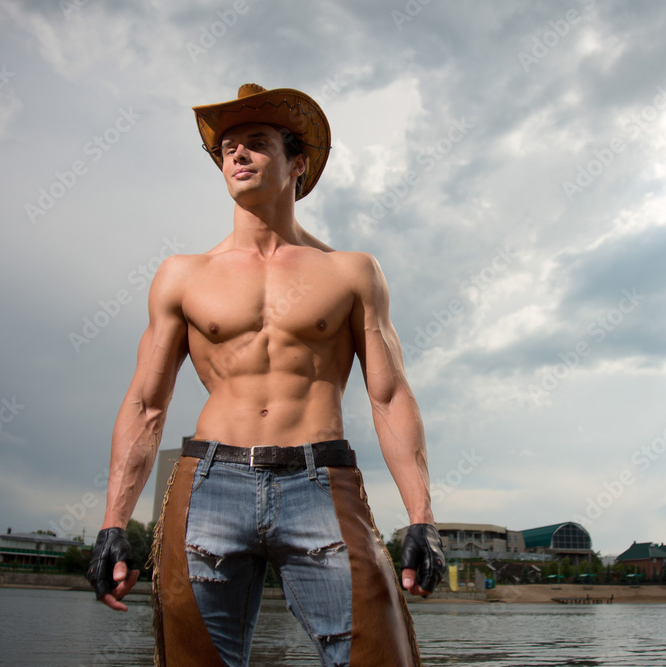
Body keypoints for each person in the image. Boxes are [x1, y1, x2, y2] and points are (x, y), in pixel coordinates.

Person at [86, 83, 446, 667]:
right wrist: (112, 525)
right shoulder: (183, 276)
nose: (238, 155)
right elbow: (146, 404)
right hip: (208, 485)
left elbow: (388, 396)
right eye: (228, 147)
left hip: (319, 481)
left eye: (256, 143)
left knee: (383, 656)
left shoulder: (351, 273)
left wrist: (423, 519)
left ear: (297, 163)